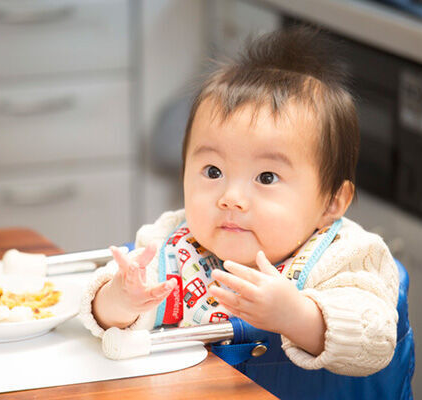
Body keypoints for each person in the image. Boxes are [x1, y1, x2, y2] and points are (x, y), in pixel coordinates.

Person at [79, 26, 399, 378]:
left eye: (266, 178)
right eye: (213, 171)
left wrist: (297, 316)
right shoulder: (174, 242)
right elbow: (97, 311)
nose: (231, 198)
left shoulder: (346, 256)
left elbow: (376, 343)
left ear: (332, 202)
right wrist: (122, 299)